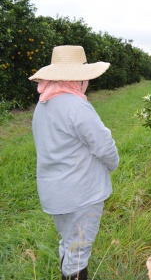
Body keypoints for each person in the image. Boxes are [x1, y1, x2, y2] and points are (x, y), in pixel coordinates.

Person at [29, 45, 120, 280]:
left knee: (69, 242)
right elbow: (103, 145)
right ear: (77, 79)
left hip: (55, 192)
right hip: (82, 192)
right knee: (79, 249)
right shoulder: (76, 105)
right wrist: (113, 164)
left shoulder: (43, 104)